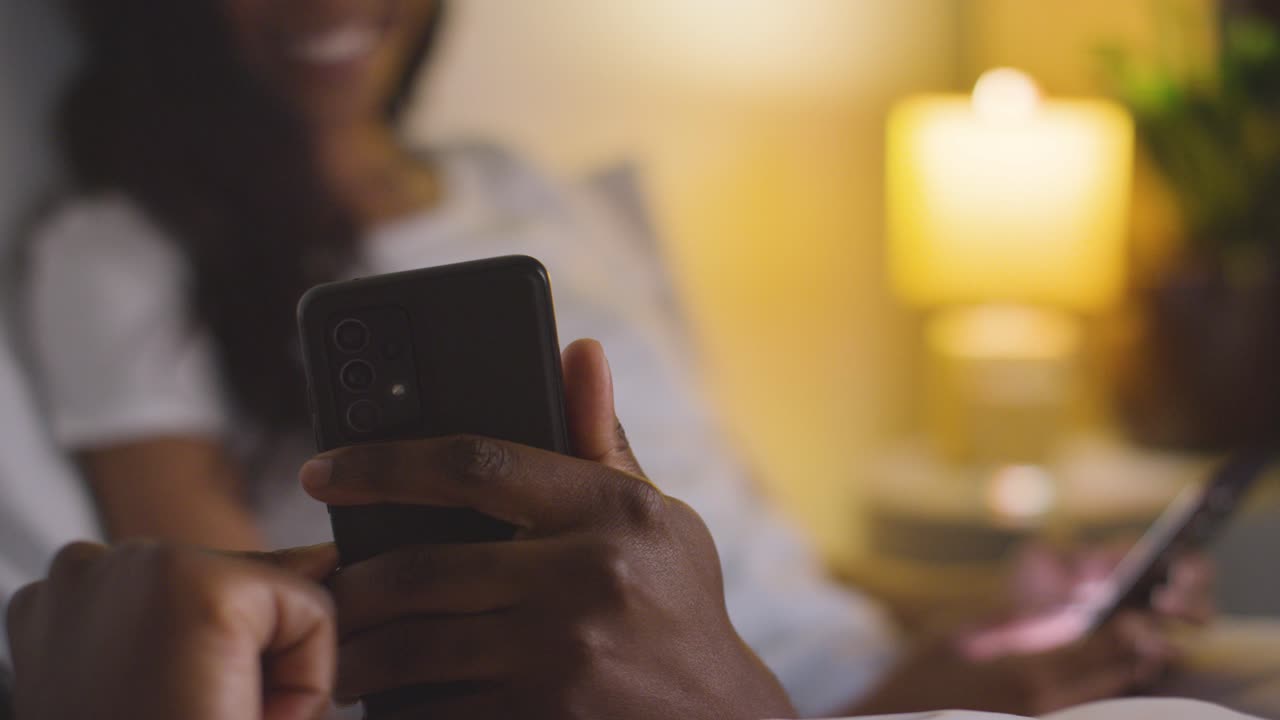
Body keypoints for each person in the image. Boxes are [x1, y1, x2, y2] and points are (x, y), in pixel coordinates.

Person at [18, 0, 1208, 715]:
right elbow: (227, 639)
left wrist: (978, 622)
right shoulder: (117, 250)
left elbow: (748, 541)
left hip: (831, 678)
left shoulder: (521, 186)